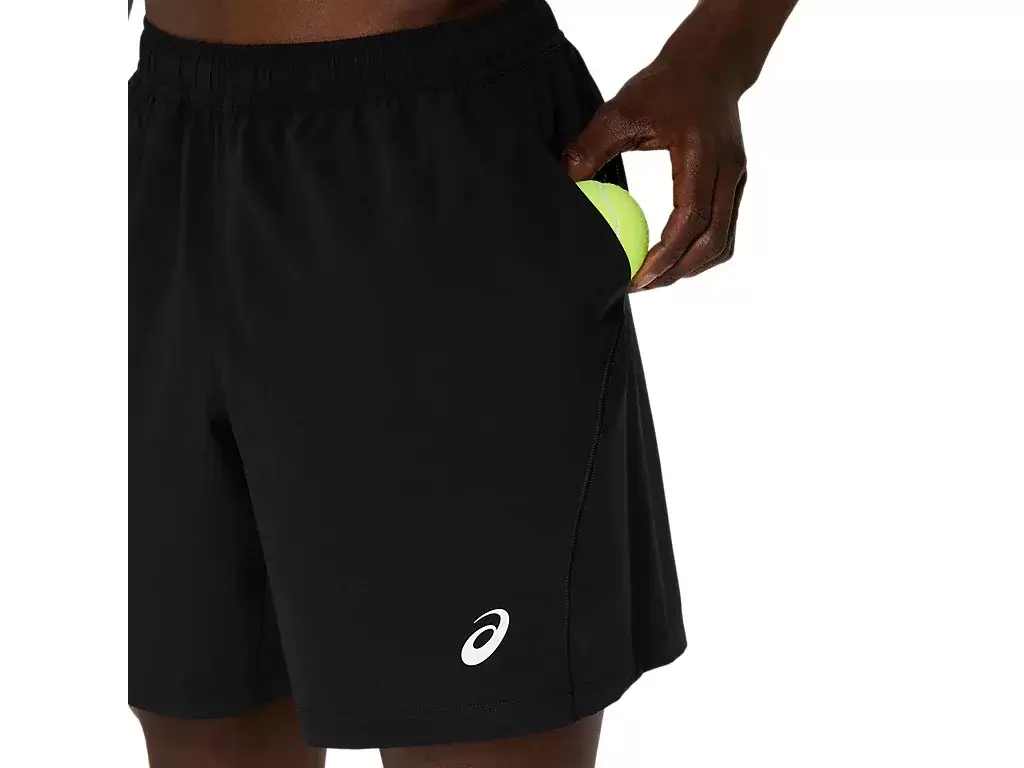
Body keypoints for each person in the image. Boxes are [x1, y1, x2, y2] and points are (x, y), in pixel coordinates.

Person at [128, 0, 796, 765]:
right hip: (163, 143)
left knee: (471, 718)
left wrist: (718, 55)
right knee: (198, 718)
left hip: (436, 147)